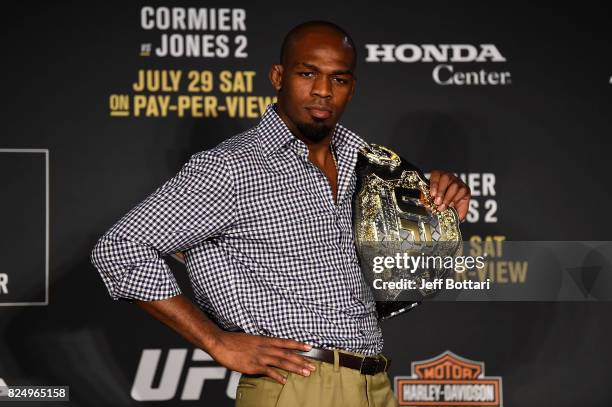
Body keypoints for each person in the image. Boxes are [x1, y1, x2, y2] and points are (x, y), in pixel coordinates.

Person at [91, 20, 470, 407]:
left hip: (373, 383)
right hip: (297, 385)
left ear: (351, 89)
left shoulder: (368, 165)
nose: (323, 91)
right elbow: (120, 248)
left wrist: (439, 204)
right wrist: (215, 341)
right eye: (308, 73)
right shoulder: (233, 167)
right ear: (278, 76)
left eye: (338, 80)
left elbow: (398, 278)